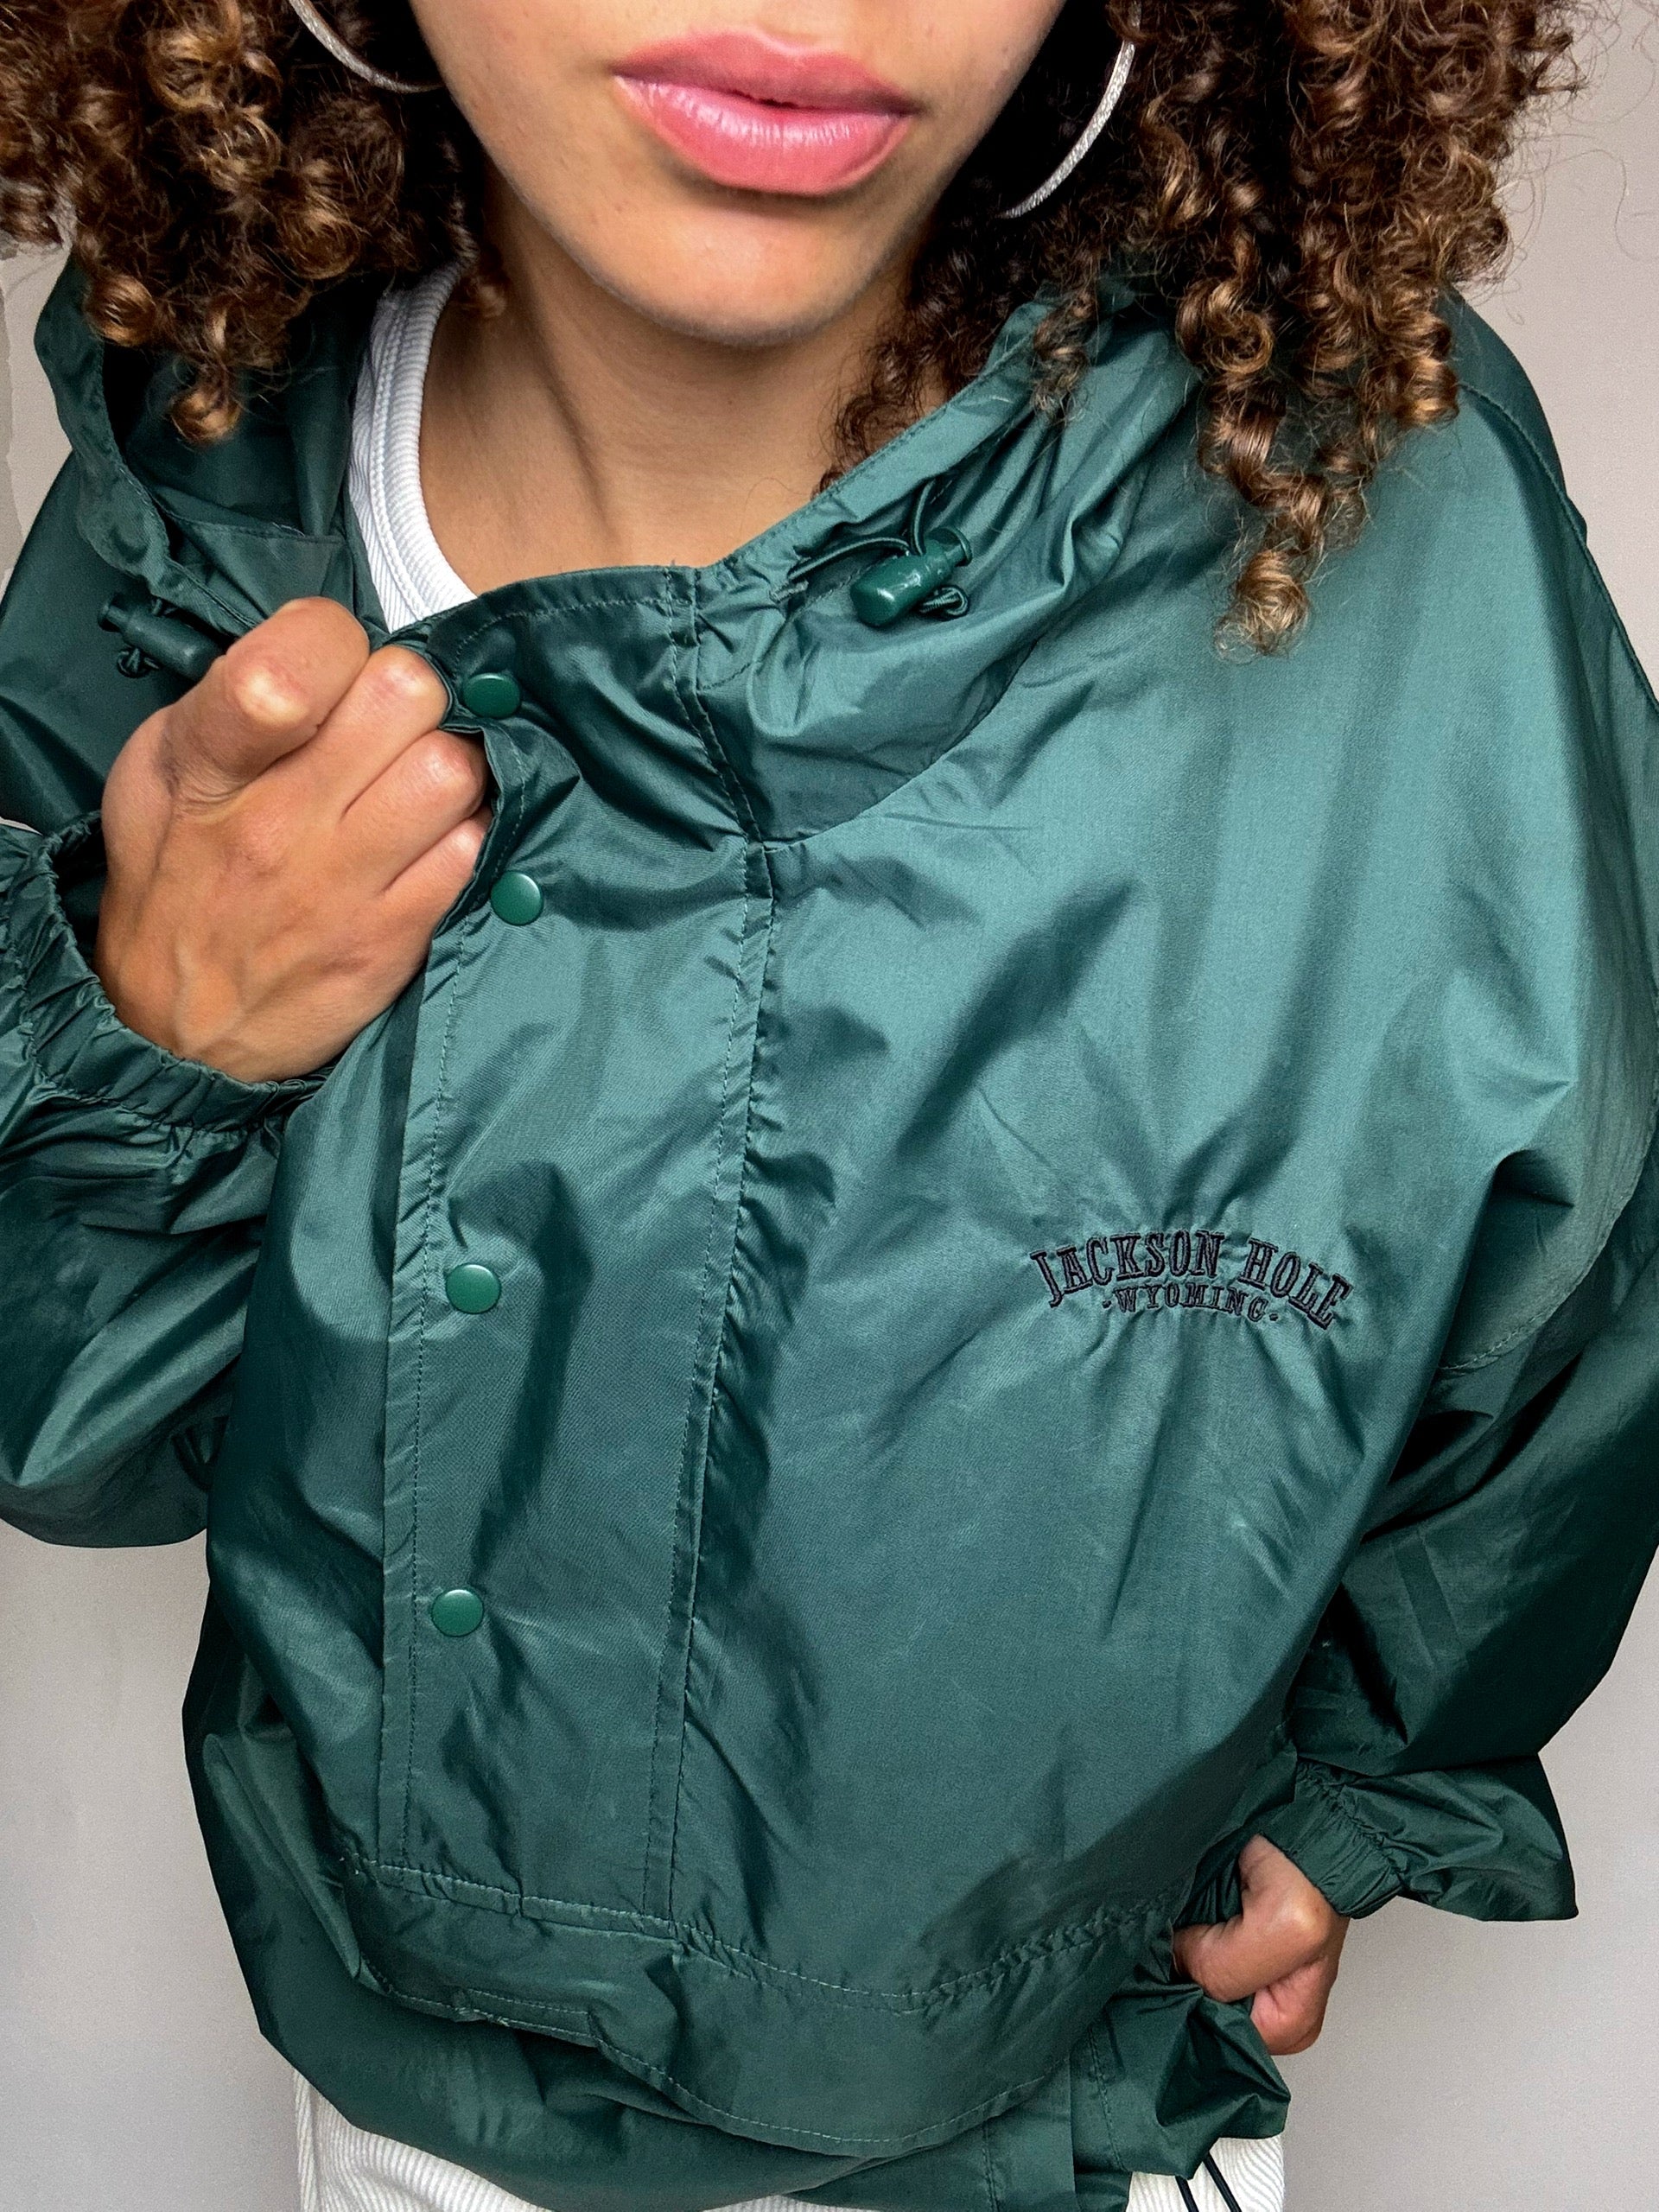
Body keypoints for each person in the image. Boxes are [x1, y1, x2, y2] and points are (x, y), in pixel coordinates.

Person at [0, 1, 1655, 2208]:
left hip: (1055, 2124)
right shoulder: (207, 484)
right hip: (391, 2092)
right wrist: (157, 1029)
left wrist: (1375, 1782)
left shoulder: (1360, 482)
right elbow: (73, 1429)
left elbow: (1583, 1246)